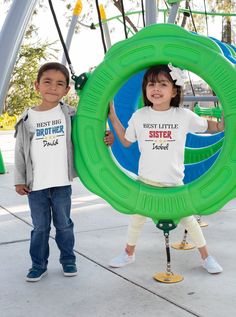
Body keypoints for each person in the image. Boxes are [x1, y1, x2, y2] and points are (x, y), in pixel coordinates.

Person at [108, 64, 224, 274]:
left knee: (188, 219)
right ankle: (128, 252)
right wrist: (113, 117)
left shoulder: (182, 116)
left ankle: (206, 257)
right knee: (137, 218)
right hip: (146, 181)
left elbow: (210, 127)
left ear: (174, 90)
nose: (156, 88)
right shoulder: (140, 116)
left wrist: (224, 122)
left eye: (163, 84)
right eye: (151, 84)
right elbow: (126, 141)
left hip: (173, 182)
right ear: (145, 89)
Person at [14, 62, 114, 282]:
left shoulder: (71, 115)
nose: (53, 87)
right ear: (37, 86)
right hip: (36, 186)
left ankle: (68, 259)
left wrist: (107, 137)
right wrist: (19, 179)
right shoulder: (27, 118)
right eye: (47, 82)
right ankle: (38, 265)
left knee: (64, 225)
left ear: (67, 89)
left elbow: (90, 134)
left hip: (61, 184)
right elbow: (21, 151)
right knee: (40, 228)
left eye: (60, 83)